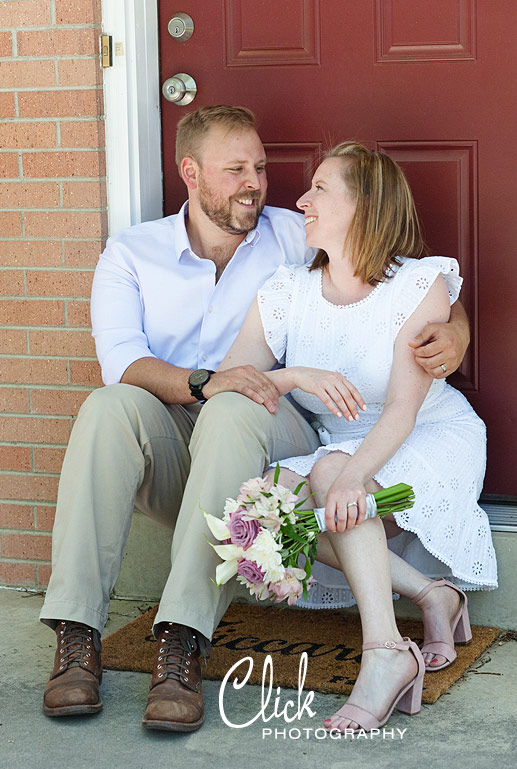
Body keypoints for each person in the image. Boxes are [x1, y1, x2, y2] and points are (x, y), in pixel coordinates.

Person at [39, 107, 470, 732]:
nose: (257, 184)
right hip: (182, 437)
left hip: (265, 433)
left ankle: (182, 641)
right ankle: (77, 636)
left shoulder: (294, 232)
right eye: (237, 169)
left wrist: (454, 335)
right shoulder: (132, 253)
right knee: (109, 407)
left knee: (238, 406)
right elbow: (122, 363)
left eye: (262, 168)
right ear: (191, 173)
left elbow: (399, 272)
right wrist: (214, 381)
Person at [217, 141, 497, 732]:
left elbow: (400, 408)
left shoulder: (420, 284)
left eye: (319, 188)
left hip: (425, 434)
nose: (300, 200)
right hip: (341, 445)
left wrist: (348, 475)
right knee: (259, 516)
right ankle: (431, 595)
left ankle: (385, 653)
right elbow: (232, 383)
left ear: (364, 206)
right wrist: (294, 375)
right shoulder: (286, 290)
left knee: (326, 477)